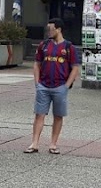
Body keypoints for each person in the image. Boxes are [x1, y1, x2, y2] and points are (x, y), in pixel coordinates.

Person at [25, 17, 79, 155]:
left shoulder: (69, 47)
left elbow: (75, 67)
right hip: (43, 85)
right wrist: (37, 82)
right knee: (39, 114)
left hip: (60, 86)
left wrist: (67, 85)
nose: (49, 32)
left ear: (59, 29)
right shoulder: (43, 45)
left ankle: (53, 144)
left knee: (58, 115)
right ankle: (35, 143)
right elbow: (37, 64)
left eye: (51, 29)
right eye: (47, 29)